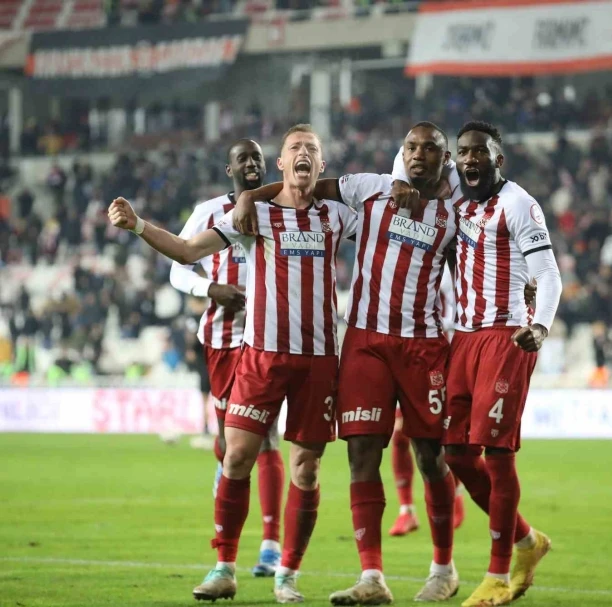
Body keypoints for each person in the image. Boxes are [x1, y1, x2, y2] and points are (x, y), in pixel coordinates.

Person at [108, 124, 357, 604]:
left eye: (312, 149)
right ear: (281, 163)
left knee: (306, 469)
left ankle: (287, 574)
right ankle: (224, 567)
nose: (303, 153)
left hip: (318, 360)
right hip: (261, 356)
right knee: (237, 455)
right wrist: (138, 225)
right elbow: (187, 251)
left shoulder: (338, 216)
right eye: (294, 148)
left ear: (321, 165)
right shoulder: (254, 215)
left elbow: (387, 230)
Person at [234, 122, 461, 604]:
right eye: (411, 147)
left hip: (423, 345)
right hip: (364, 340)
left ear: (445, 160)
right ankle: (372, 577)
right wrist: (250, 196)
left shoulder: (457, 211)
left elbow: (470, 270)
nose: (418, 155)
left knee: (430, 456)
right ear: (402, 153)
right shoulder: (369, 187)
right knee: (362, 454)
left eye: (430, 149)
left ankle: (443, 568)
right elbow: (304, 187)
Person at [394, 121, 562, 606]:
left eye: (479, 153)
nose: (470, 160)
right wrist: (402, 179)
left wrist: (540, 325)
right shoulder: (457, 199)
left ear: (497, 160)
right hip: (463, 339)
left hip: (506, 337)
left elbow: (548, 272)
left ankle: (497, 576)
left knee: (497, 454)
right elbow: (404, 160)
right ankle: (527, 540)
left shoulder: (519, 204)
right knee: (456, 454)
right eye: (463, 152)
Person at [169, 139, 285, 577]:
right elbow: (178, 267)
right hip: (221, 340)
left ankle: (270, 545)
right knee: (228, 445)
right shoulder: (209, 212)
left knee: (266, 438)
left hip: (266, 341)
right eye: (243, 159)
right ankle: (228, 501)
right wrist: (210, 289)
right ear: (228, 169)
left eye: (257, 157)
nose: (251, 163)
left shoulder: (282, 208)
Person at [388, 269, 466, 537]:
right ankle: (406, 510)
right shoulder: (408, 263)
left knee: (443, 434)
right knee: (399, 433)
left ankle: (455, 495)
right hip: (411, 351)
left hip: (444, 353)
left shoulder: (451, 264)